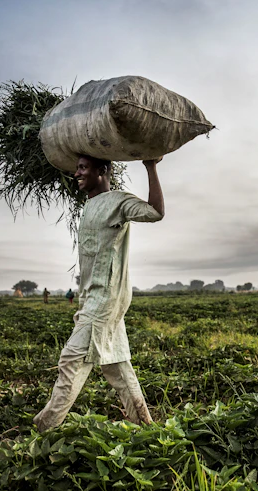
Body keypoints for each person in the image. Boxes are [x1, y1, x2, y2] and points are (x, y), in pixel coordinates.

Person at [34, 155, 164, 432]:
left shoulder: (118, 201)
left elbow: (155, 212)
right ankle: (146, 427)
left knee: (72, 360)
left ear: (102, 170)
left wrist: (150, 167)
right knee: (116, 364)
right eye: (77, 168)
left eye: (83, 168)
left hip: (106, 297)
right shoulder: (88, 205)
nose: (77, 173)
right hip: (92, 297)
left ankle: (44, 429)